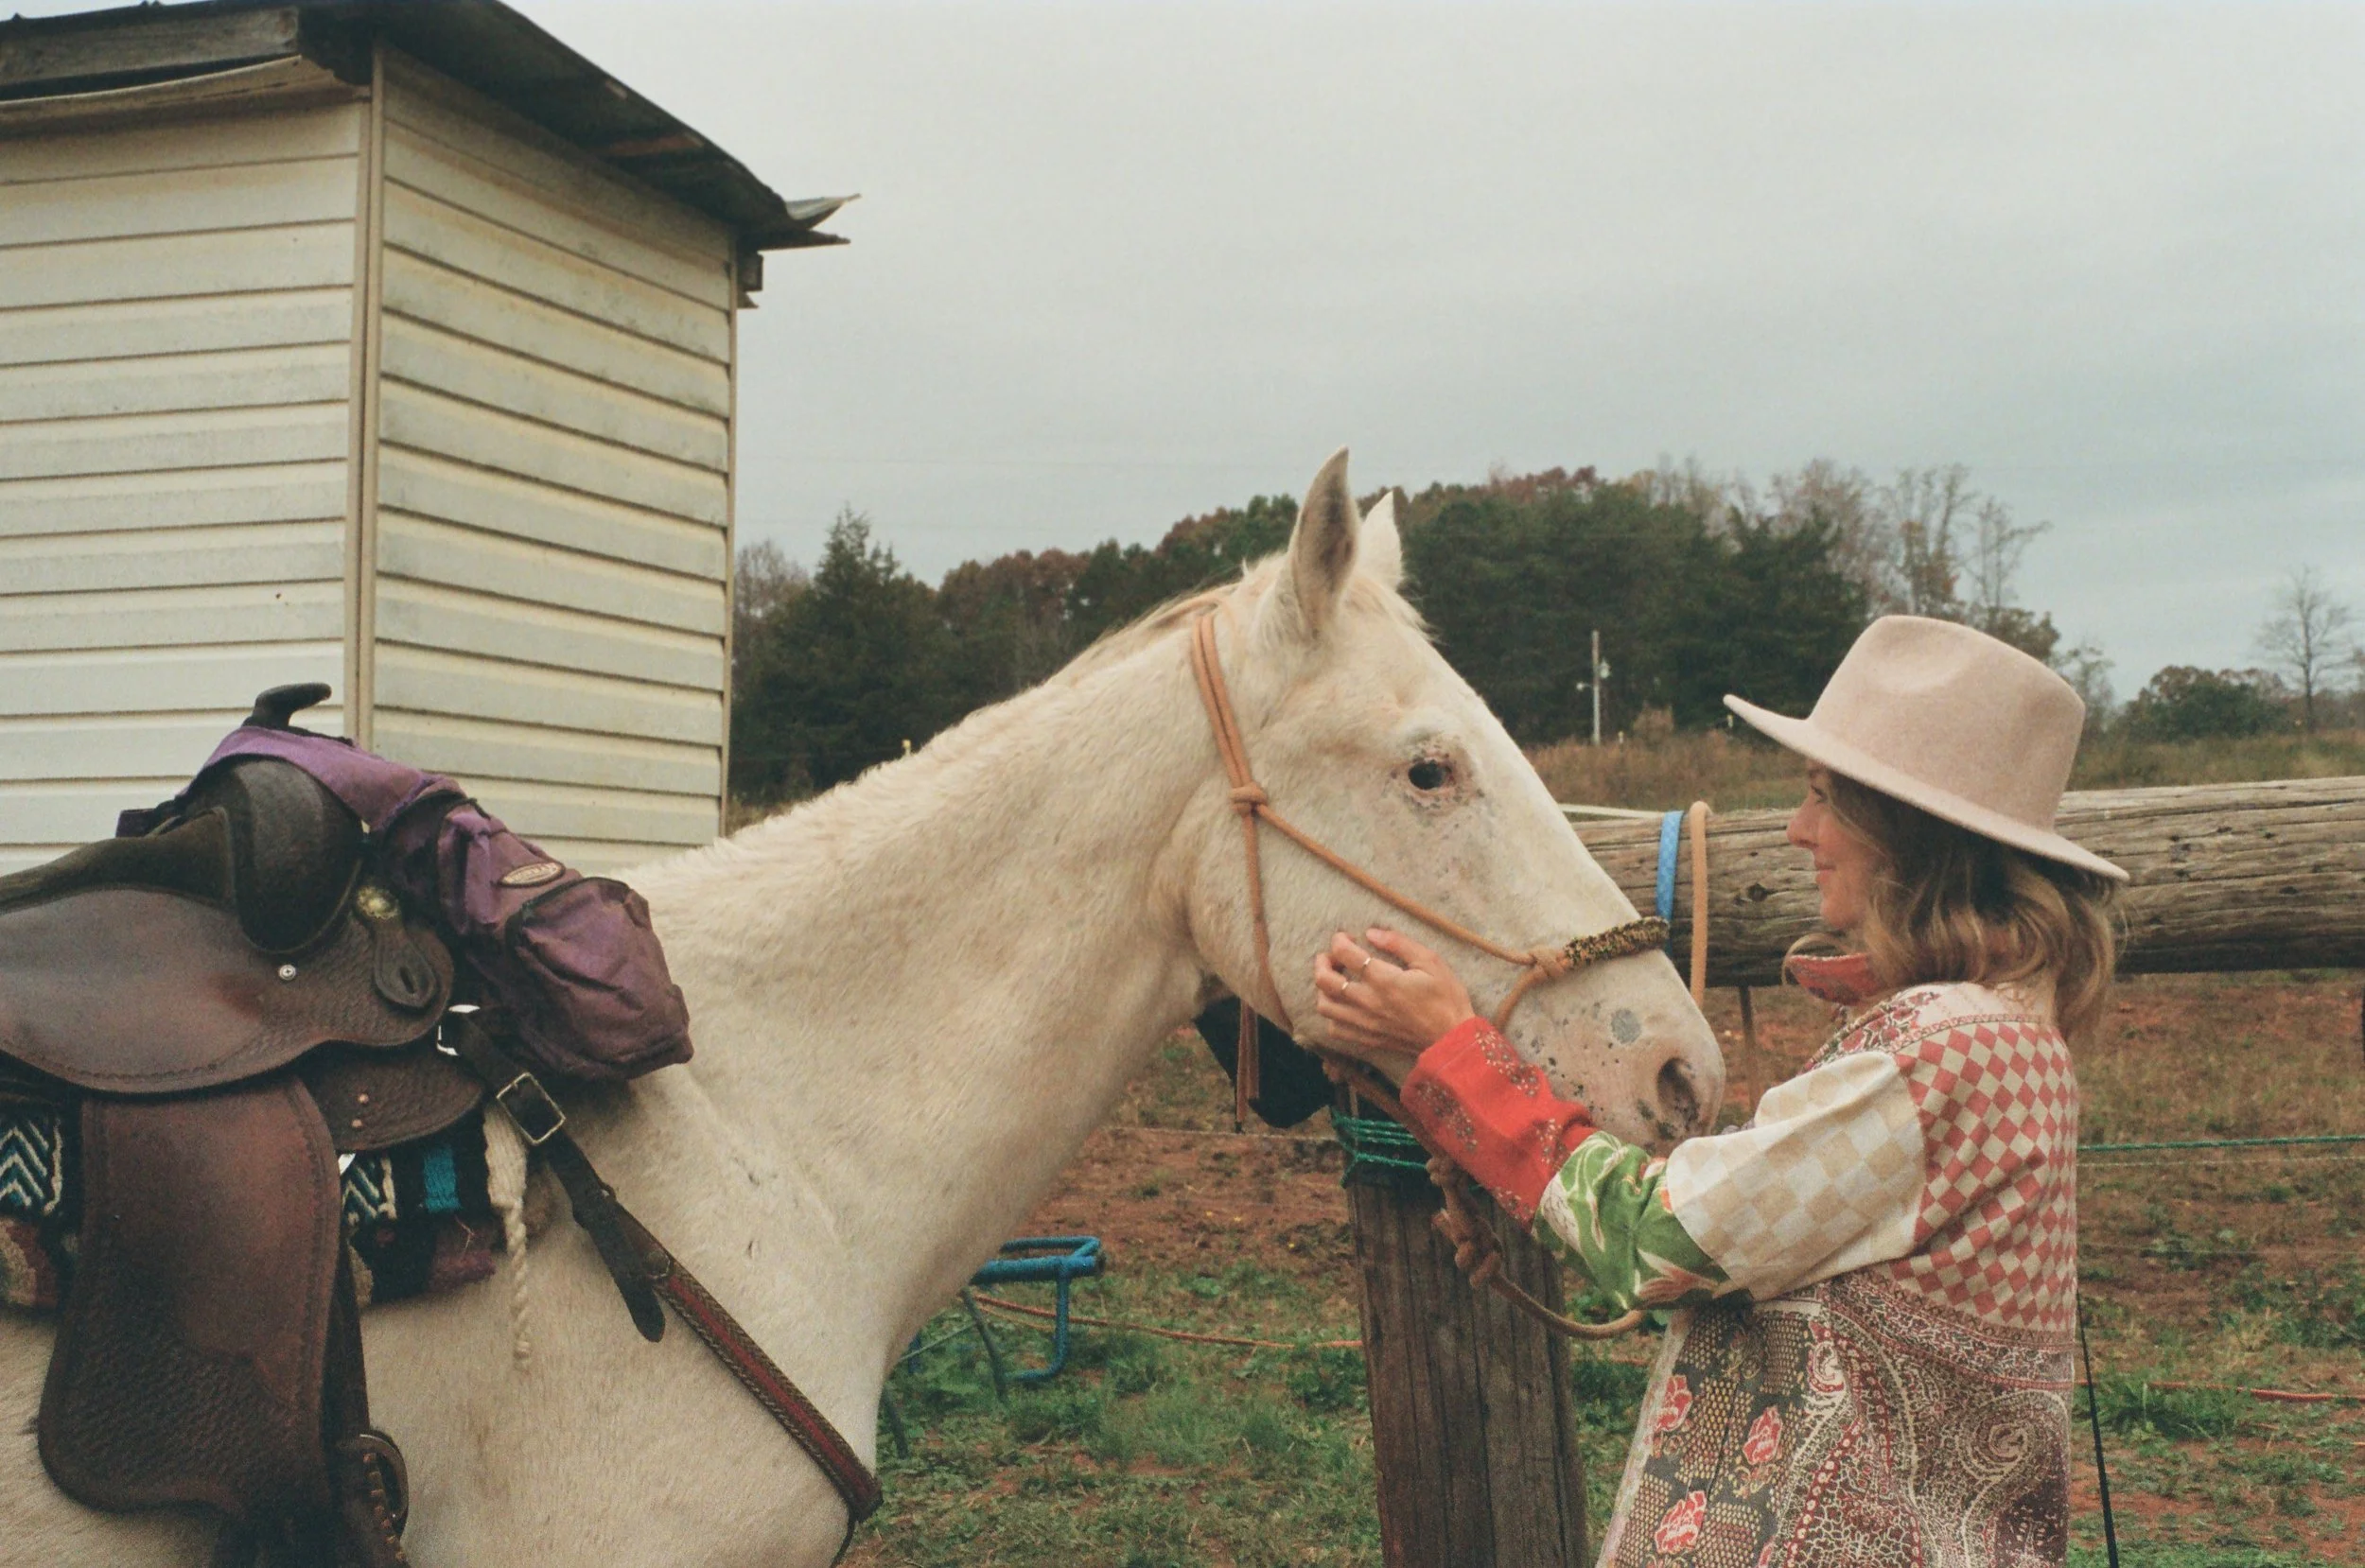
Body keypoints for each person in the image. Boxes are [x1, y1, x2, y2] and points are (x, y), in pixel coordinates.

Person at [1312, 615, 2125, 1568]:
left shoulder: (1939, 1051)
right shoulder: (2007, 1036)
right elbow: (1765, 1250)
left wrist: (1450, 1050)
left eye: (1824, 798)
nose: (1798, 829)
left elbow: (1664, 1239)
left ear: (1905, 835)